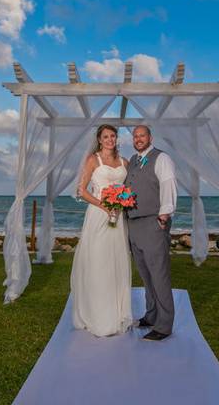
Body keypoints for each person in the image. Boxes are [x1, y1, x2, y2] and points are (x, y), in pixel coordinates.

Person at [70, 124, 133, 337]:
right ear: (99, 139)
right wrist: (102, 205)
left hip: (119, 217)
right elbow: (81, 190)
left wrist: (124, 200)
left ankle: (118, 314)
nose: (110, 139)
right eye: (105, 136)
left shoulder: (124, 162)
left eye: (113, 136)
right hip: (98, 215)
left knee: (117, 262)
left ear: (116, 138)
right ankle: (98, 316)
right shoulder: (92, 160)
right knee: (99, 263)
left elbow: (129, 189)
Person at [125, 124, 176, 341]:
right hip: (134, 224)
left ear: (150, 137)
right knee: (145, 275)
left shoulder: (161, 158)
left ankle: (164, 325)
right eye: (135, 136)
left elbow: (168, 185)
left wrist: (164, 214)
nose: (138, 139)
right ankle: (152, 314)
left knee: (159, 274)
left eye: (142, 135)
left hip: (154, 222)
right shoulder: (134, 161)